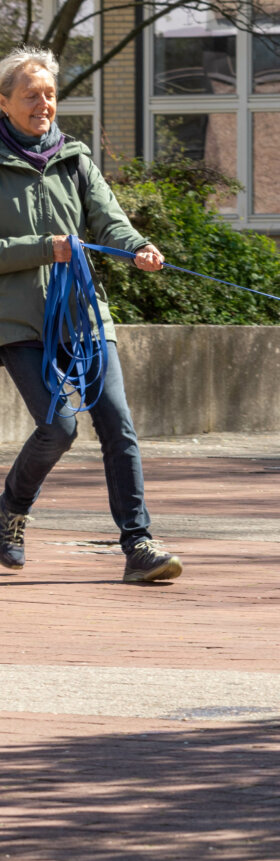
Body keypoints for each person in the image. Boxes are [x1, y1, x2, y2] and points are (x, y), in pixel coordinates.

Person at [0, 45, 182, 583]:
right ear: (4, 102)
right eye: (31, 95)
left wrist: (139, 248)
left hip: (82, 315)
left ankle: (138, 544)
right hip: (19, 323)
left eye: (50, 95)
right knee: (58, 428)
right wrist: (42, 247)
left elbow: (111, 224)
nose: (43, 105)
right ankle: (11, 508)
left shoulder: (74, 157)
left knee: (117, 423)